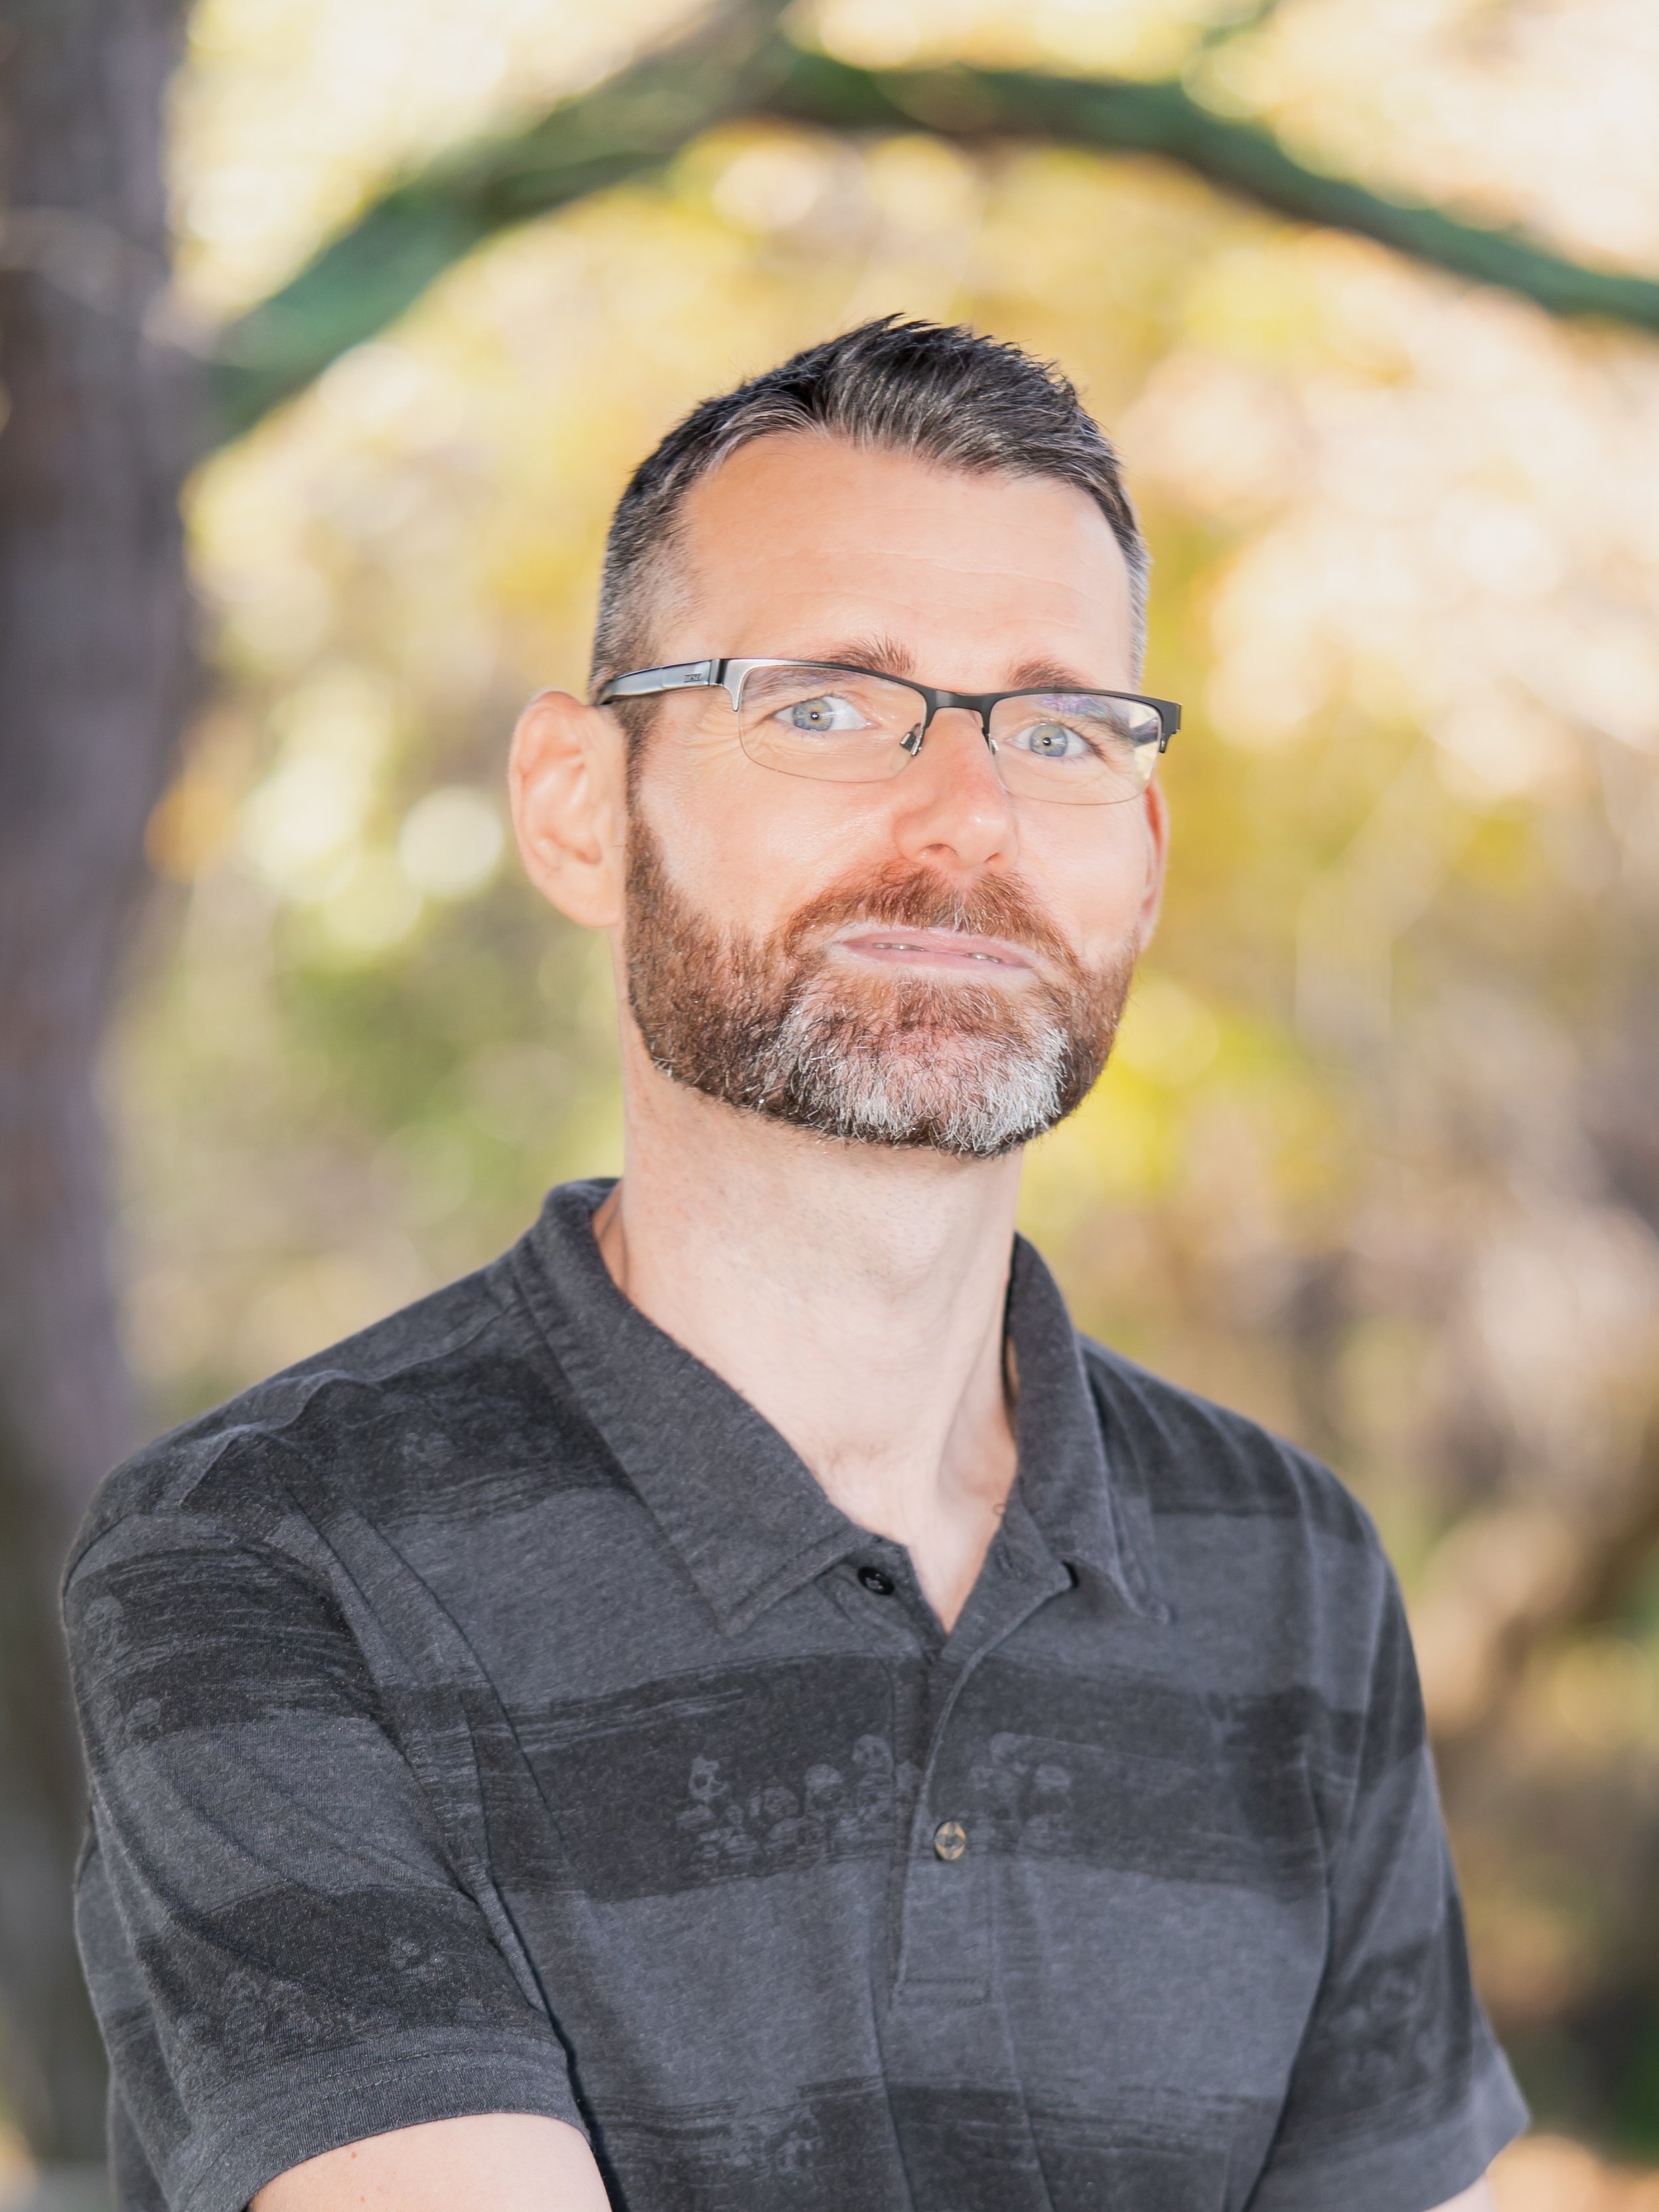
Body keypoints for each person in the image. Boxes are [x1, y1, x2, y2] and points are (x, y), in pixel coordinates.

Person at [65, 320, 1525, 2212]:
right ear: (580, 804)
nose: (964, 820)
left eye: (1059, 727)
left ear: (1142, 861)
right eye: (830, 706)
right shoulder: (270, 1557)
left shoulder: (1289, 1572)